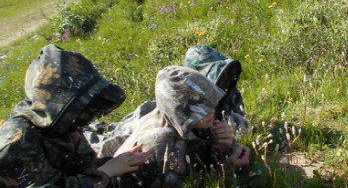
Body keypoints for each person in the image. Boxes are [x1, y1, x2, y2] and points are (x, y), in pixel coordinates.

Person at [0, 45, 151, 188]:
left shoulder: (62, 125)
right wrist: (106, 172)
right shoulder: (18, 141)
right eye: (83, 106)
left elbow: (83, 165)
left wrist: (118, 165)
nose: (88, 114)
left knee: (122, 179)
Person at [85, 45, 249, 157]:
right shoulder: (164, 134)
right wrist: (226, 168)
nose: (210, 108)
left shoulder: (209, 110)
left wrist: (226, 146)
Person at [113, 65, 250, 188]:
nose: (210, 111)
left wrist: (225, 147)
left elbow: (198, 151)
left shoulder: (192, 120)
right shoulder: (164, 143)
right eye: (200, 110)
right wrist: (227, 169)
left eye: (210, 103)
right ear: (180, 113)